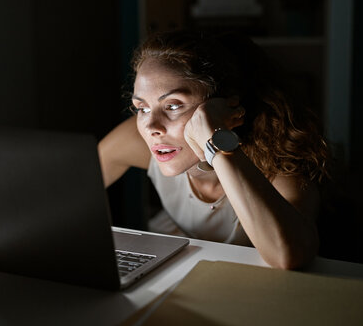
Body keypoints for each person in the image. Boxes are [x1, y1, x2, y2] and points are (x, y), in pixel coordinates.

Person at [98, 29, 330, 269]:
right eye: (142, 108)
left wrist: (216, 140)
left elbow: (289, 257)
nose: (152, 127)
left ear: (224, 108)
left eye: (174, 105)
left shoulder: (279, 166)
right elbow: (72, 190)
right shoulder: (140, 137)